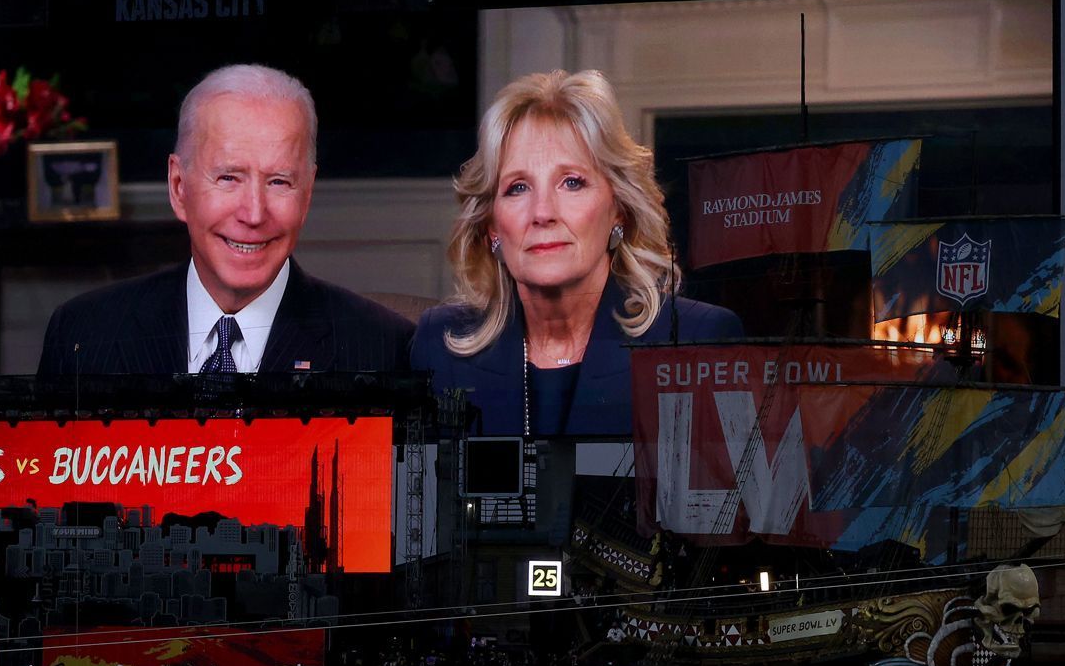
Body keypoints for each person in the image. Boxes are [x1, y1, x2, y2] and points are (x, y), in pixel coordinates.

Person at [413, 69, 740, 437]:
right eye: (517, 188)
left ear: (619, 208)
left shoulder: (696, 341)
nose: (542, 213)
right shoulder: (440, 348)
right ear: (492, 227)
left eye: (572, 182)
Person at [38, 64, 414, 376]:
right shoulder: (83, 337)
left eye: (279, 181)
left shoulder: (383, 349)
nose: (253, 213)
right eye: (228, 178)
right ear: (178, 186)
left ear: (308, 193)